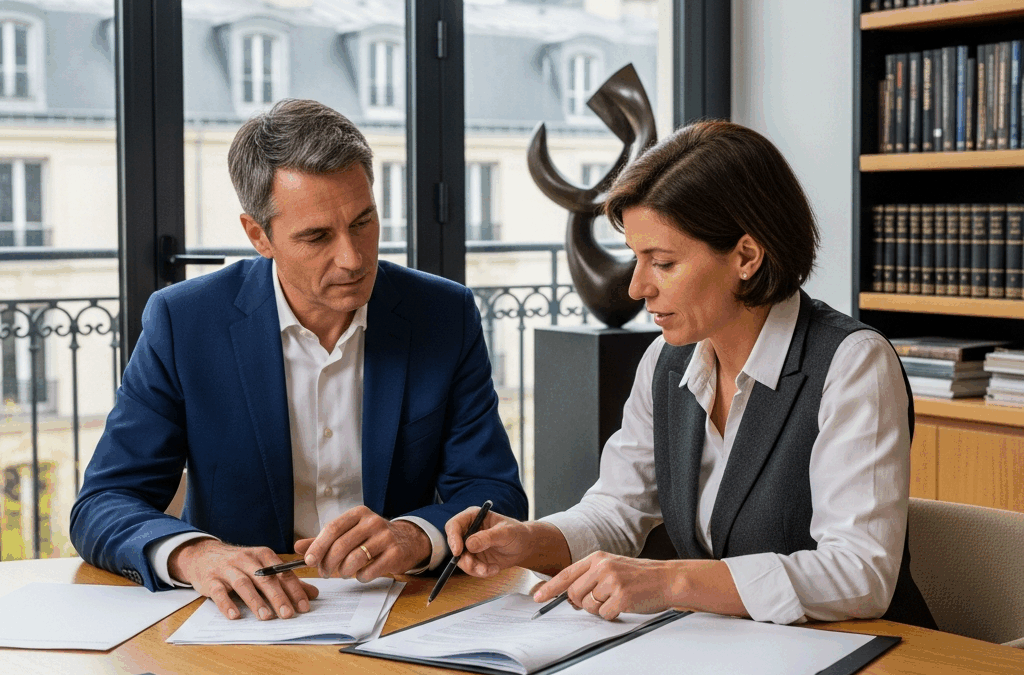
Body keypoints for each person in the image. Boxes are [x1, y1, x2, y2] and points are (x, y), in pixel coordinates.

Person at [446, 120, 935, 628]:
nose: (637, 287)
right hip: (737, 649)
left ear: (746, 256)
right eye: (637, 258)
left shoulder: (852, 364)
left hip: (867, 650)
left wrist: (669, 581)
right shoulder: (666, 361)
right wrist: (530, 539)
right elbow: (617, 509)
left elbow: (861, 574)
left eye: (663, 262)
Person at [71, 99, 527, 622]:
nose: (353, 258)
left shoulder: (443, 313)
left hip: (405, 609)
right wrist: (195, 555)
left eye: (363, 222)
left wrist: (415, 536)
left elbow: (495, 495)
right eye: (316, 237)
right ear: (258, 235)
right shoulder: (184, 322)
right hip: (242, 620)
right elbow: (103, 503)